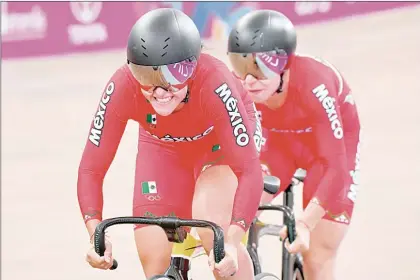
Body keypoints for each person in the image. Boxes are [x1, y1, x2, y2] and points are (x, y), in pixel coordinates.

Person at [77, 8, 264, 280]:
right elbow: (90, 171)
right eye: (147, 78)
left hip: (220, 145)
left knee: (214, 227)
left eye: (172, 78)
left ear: (192, 67)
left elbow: (248, 170)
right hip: (163, 145)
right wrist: (96, 234)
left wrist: (233, 241)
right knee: (154, 257)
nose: (160, 92)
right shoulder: (122, 86)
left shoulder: (213, 81)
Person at [227, 10, 361, 280]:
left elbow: (335, 168)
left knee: (318, 253)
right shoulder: (239, 88)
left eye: (259, 69)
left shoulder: (316, 85)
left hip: (328, 153)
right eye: (241, 67)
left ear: (284, 65)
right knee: (232, 204)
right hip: (278, 147)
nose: (249, 81)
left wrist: (305, 222)